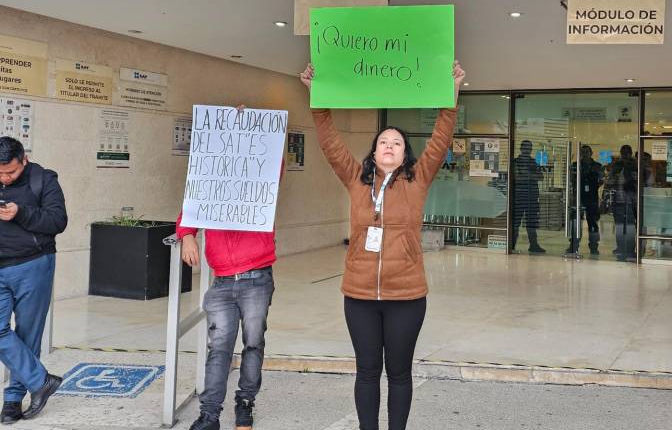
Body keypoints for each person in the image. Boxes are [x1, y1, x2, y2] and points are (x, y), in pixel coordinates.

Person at [300, 61, 465, 430]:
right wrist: (317, 98)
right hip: (359, 295)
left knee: (400, 373)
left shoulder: (417, 180)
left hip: (406, 296)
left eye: (397, 143)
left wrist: (452, 93)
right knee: (367, 371)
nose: (389, 146)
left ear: (405, 154)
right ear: (373, 153)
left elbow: (440, 140)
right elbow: (329, 142)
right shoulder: (356, 180)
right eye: (382, 142)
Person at [179, 114, 283, 430]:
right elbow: (190, 208)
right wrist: (186, 235)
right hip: (222, 281)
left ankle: (245, 403)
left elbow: (274, 162)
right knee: (218, 349)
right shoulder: (209, 181)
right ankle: (209, 415)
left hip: (257, 278)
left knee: (253, 343)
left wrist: (250, 127)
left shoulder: (262, 179)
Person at [0, 137, 67, 424]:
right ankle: (41, 381)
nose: (4, 178)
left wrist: (21, 212)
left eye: (10, 172)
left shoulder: (44, 179)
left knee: (27, 335)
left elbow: (57, 222)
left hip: (33, 266)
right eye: (0, 173)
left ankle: (13, 399)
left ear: (23, 160)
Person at [567, 144, 603, 255]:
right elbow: (572, 179)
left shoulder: (597, 166)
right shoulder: (576, 165)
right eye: (582, 152)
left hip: (592, 197)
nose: (585, 154)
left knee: (592, 222)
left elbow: (601, 179)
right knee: (575, 222)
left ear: (591, 153)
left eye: (587, 152)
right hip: (579, 197)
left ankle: (594, 247)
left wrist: (595, 186)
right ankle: (573, 245)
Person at [511, 140, 545, 253]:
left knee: (531, 223)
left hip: (532, 197)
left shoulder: (533, 162)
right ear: (521, 149)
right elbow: (516, 178)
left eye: (529, 148)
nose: (527, 150)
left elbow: (541, 177)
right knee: (515, 223)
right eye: (525, 148)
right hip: (519, 197)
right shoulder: (515, 162)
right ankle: (511, 246)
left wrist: (526, 174)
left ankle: (533, 245)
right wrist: (531, 176)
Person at [608, 145, 637, 261]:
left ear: (630, 153)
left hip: (630, 200)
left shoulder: (635, 165)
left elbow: (637, 181)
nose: (625, 155)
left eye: (627, 153)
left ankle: (630, 249)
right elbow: (610, 181)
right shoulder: (617, 165)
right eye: (623, 153)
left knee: (630, 226)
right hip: (618, 200)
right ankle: (620, 247)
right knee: (619, 226)